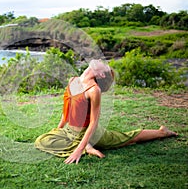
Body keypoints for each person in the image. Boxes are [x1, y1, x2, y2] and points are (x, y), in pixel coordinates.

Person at [34, 59, 178, 164]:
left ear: (101, 75)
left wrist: (79, 149)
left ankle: (162, 132)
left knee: (128, 138)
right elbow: (66, 111)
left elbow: (93, 122)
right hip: (70, 131)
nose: (100, 60)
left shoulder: (93, 90)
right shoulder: (73, 80)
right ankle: (86, 146)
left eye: (104, 65)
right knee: (41, 141)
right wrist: (58, 129)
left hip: (90, 133)